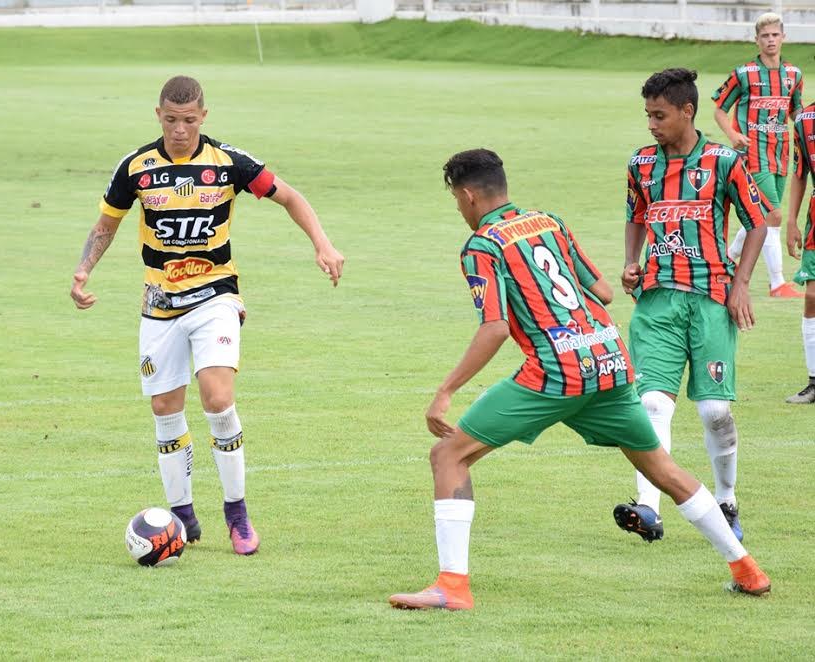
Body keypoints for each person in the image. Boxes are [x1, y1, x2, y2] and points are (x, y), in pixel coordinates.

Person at [388, 148, 770, 611]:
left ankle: (452, 586)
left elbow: (495, 328)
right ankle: (746, 569)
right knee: (663, 470)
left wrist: (445, 391)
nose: (459, 209)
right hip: (609, 360)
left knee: (448, 454)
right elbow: (603, 291)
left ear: (468, 195)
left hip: (556, 371)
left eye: (455, 200)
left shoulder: (482, 246)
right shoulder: (550, 222)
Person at [70, 76, 344, 555]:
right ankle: (182, 517)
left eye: (189, 120)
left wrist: (323, 244)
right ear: (158, 115)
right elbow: (106, 225)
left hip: (216, 296)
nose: (180, 130)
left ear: (204, 116)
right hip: (159, 303)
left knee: (218, 399)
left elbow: (290, 197)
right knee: (164, 408)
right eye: (171, 120)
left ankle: (237, 514)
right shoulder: (136, 167)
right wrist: (83, 270)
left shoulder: (228, 163)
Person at [616, 68, 768, 545]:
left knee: (714, 412)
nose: (651, 125)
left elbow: (757, 221)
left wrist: (741, 284)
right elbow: (636, 214)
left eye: (659, 115)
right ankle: (649, 507)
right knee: (652, 404)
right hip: (657, 300)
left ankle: (726, 499)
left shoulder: (724, 161)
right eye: (647, 115)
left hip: (710, 299)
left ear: (687, 111)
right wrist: (630, 261)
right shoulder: (641, 163)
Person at [713, 12, 804, 298]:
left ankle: (727, 257)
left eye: (775, 35)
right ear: (757, 40)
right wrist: (733, 135)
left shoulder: (794, 75)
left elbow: (796, 112)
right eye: (765, 36)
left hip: (781, 154)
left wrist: (806, 131)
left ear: (783, 37)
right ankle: (777, 283)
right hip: (752, 156)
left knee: (762, 216)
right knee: (774, 214)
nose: (770, 40)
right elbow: (719, 110)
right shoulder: (744, 73)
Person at [784, 101, 815, 403]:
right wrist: (792, 220)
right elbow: (799, 173)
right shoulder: (804, 120)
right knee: (812, 297)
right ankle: (814, 380)